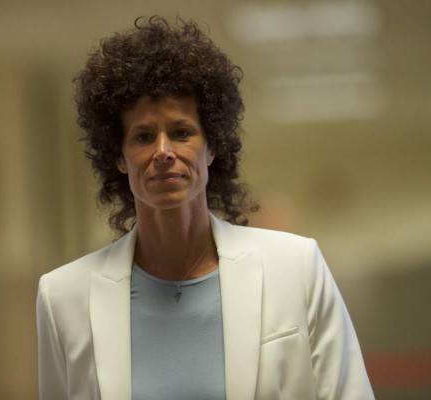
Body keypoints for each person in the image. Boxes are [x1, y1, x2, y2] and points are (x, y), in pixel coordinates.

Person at [36, 16, 374, 400]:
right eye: (143, 137)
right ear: (119, 157)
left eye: (181, 133)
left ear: (211, 147)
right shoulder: (63, 296)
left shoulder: (296, 266)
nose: (163, 152)